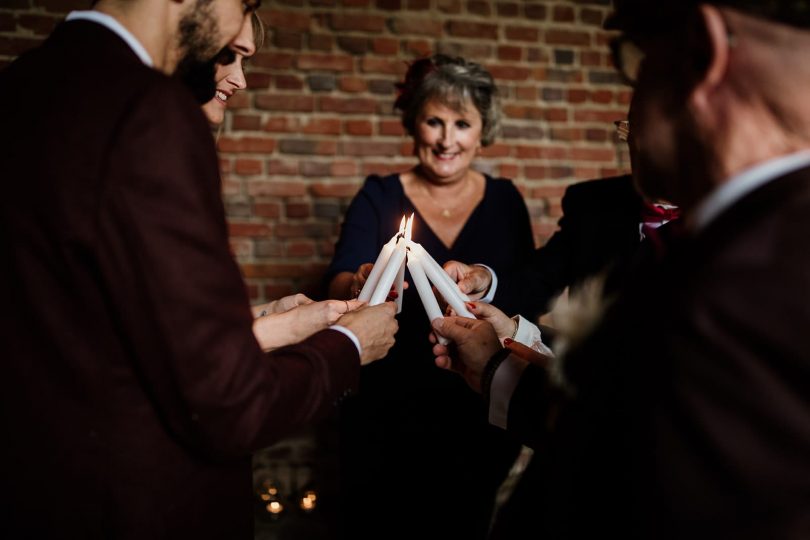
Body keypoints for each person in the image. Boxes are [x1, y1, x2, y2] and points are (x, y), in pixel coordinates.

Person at [0, 1, 398, 539]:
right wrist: (349, 346)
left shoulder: (21, 84)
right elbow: (231, 406)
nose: (240, 27)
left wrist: (269, 325)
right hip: (140, 505)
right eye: (244, 4)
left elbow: (93, 329)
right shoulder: (147, 110)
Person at [432, 0, 810, 537]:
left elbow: (625, 460)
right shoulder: (756, 245)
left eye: (633, 60)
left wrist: (501, 369)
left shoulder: (729, 298)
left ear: (701, 55)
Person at [326, 54, 535, 538]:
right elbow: (336, 280)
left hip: (476, 406)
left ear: (483, 131)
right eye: (434, 121)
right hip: (384, 404)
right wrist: (360, 282)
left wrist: (489, 282)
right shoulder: (379, 194)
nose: (446, 139)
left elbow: (527, 287)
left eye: (462, 124)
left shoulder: (505, 199)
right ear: (413, 124)